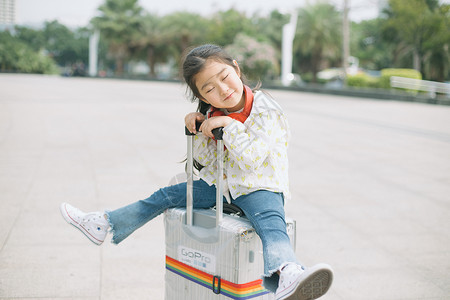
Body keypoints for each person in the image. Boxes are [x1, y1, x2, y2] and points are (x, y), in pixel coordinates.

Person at [60, 44, 333, 300]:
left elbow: (252, 159)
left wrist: (228, 125)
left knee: (271, 226)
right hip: (222, 188)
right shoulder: (213, 112)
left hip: (260, 186)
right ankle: (104, 223)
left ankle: (288, 273)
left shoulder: (267, 109)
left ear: (236, 69)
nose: (223, 90)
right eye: (210, 89)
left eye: (225, 77)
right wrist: (199, 130)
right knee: (166, 195)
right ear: (202, 96)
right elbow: (203, 165)